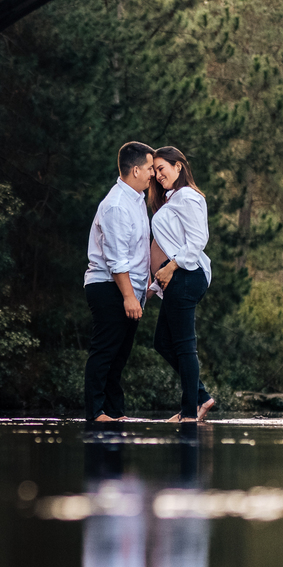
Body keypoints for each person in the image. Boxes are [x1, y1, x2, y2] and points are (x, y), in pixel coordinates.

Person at [83, 141, 155, 422]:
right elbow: (116, 259)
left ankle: (115, 412)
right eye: (150, 168)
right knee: (104, 352)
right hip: (108, 287)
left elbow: (138, 249)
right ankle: (96, 412)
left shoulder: (136, 199)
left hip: (128, 289)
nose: (152, 174)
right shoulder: (115, 205)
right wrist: (128, 296)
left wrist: (143, 288)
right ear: (135, 170)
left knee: (119, 357)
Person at [149, 146, 215, 422]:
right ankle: (201, 398)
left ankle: (189, 412)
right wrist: (155, 285)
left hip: (187, 274)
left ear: (179, 166)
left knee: (184, 346)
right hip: (177, 276)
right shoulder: (173, 198)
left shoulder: (187, 196)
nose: (157, 175)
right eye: (154, 170)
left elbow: (198, 240)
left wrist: (172, 266)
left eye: (161, 168)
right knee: (163, 342)